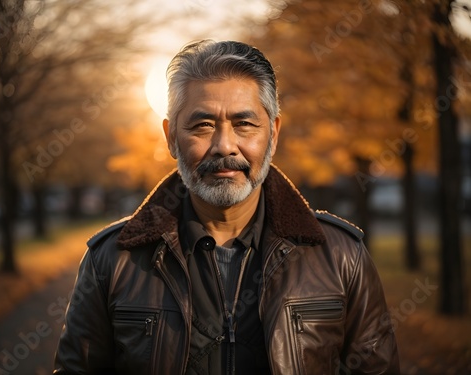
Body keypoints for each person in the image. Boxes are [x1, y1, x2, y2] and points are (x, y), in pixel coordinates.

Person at [53, 40, 399, 375]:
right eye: (202, 125)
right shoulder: (111, 260)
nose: (224, 146)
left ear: (273, 134)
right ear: (171, 137)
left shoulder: (341, 256)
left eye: (244, 124)